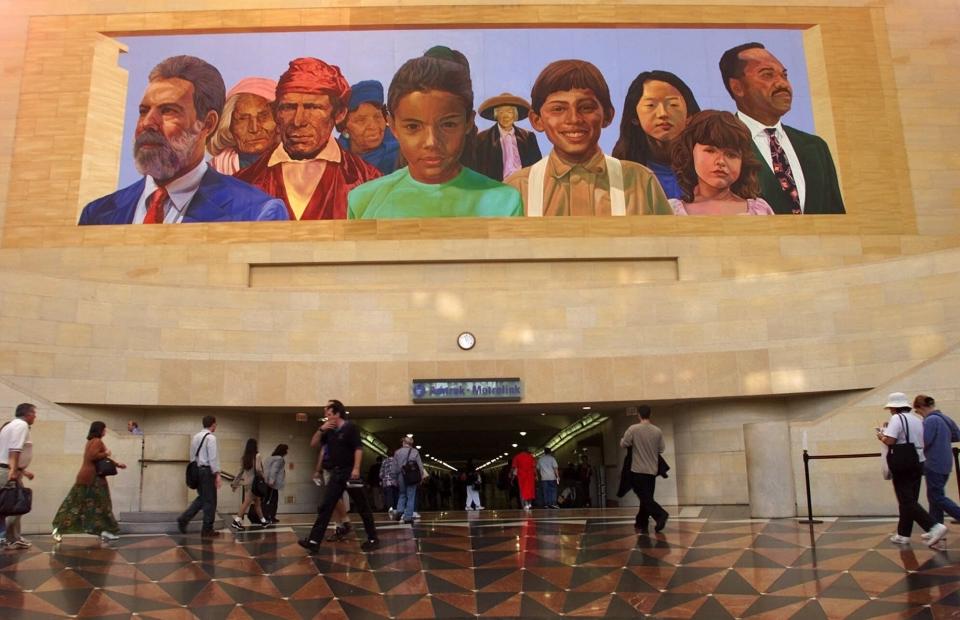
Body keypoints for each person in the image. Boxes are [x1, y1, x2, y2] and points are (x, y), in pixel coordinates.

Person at [79, 55, 289, 225]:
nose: (148, 123)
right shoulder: (98, 215)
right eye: (144, 111)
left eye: (168, 111)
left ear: (207, 124)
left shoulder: (256, 213)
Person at [347, 55, 522, 219]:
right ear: (392, 125)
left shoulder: (504, 202)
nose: (431, 142)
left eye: (448, 125)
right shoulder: (363, 201)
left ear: (468, 122)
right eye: (413, 127)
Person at [505, 59, 671, 217]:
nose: (574, 119)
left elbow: (669, 245)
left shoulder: (640, 181)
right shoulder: (518, 188)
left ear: (607, 115)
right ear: (537, 120)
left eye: (586, 107)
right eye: (558, 109)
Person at [236, 58, 382, 220]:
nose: (298, 121)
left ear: (339, 114)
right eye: (289, 107)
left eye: (313, 107)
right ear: (276, 112)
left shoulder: (369, 182)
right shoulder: (242, 184)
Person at [719, 42, 845, 214]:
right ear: (737, 87)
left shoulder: (815, 147)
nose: (782, 84)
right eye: (767, 75)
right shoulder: (719, 145)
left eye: (784, 75)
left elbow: (836, 216)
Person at [299, 400, 379, 553]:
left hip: (350, 472)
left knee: (363, 506)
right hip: (336, 473)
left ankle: (373, 538)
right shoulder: (328, 431)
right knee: (326, 507)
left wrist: (356, 468)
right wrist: (321, 429)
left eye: (329, 414)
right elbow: (313, 443)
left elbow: (358, 449)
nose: (327, 418)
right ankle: (314, 541)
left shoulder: (351, 428)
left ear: (337, 414)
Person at [612, 70, 701, 199]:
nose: (662, 113)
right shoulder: (621, 172)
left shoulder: (708, 167)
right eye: (651, 105)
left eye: (673, 104)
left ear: (689, 115)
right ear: (634, 117)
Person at [668, 110, 775, 215]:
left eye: (731, 155)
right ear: (690, 153)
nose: (721, 161)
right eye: (710, 151)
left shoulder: (759, 211)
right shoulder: (671, 211)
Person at [877, 392, 947, 547]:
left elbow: (891, 440)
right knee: (910, 498)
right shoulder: (917, 419)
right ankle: (903, 533)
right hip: (918, 460)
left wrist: (881, 436)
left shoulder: (896, 418)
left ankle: (934, 526)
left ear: (894, 408)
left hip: (903, 461)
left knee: (905, 499)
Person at [51, 421, 127, 543]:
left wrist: (116, 464)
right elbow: (93, 456)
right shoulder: (97, 441)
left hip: (89, 478)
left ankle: (105, 531)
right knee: (96, 505)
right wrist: (106, 453)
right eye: (104, 429)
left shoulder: (92, 441)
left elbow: (99, 458)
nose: (105, 431)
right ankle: (59, 529)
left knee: (93, 505)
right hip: (92, 479)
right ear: (99, 430)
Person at [209, 77, 279, 175]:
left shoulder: (300, 169)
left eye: (263, 116)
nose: (254, 128)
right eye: (243, 119)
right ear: (229, 126)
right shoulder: (214, 172)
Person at [620, 405, 669, 533]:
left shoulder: (633, 429)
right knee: (646, 497)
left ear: (639, 415)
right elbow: (661, 449)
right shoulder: (657, 431)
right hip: (652, 470)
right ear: (649, 414)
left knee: (644, 497)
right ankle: (641, 521)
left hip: (637, 470)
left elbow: (624, 443)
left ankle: (661, 514)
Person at [914, 394, 960, 528]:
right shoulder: (945, 418)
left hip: (934, 462)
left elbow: (924, 441)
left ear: (921, 407)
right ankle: (936, 527)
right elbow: (957, 435)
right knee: (934, 497)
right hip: (946, 461)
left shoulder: (930, 420)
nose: (919, 415)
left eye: (918, 411)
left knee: (936, 497)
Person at [474, 92, 543, 181]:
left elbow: (537, 167)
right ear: (496, 115)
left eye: (509, 112)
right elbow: (478, 171)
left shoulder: (528, 137)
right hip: (497, 188)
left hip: (524, 185)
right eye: (501, 112)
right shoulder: (482, 138)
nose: (505, 116)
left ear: (515, 115)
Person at [337, 80, 400, 175]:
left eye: (377, 117)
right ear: (344, 128)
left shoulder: (401, 156)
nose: (373, 126)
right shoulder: (334, 160)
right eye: (361, 120)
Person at [177, 415, 221, 538]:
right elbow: (213, 458)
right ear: (212, 424)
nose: (216, 426)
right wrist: (217, 474)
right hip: (207, 472)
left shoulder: (196, 437)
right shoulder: (211, 438)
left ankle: (184, 519)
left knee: (203, 498)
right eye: (215, 424)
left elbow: (192, 456)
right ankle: (207, 529)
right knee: (210, 501)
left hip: (197, 470)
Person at [0, 403, 37, 549]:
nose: (35, 416)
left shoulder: (10, 426)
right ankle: (10, 537)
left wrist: (22, 471)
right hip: (8, 471)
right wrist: (13, 471)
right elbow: (14, 449)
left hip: (8, 469)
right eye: (34, 413)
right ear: (28, 414)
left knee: (8, 505)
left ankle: (9, 536)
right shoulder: (21, 425)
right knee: (14, 504)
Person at [229, 438, 269, 531]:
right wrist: (264, 477)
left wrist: (235, 483)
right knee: (246, 503)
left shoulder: (244, 458)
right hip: (255, 483)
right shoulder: (257, 455)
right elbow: (258, 469)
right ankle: (236, 521)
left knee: (257, 503)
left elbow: (240, 472)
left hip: (247, 483)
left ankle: (263, 521)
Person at [393, 436, 427, 524]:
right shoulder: (415, 451)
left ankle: (399, 511)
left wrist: (395, 478)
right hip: (412, 476)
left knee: (402, 494)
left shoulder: (397, 452)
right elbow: (420, 466)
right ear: (411, 444)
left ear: (404, 443)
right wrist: (421, 477)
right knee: (411, 496)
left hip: (401, 476)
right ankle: (408, 517)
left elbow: (395, 467)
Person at [262, 444, 287, 524]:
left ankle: (266, 516)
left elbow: (266, 469)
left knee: (266, 499)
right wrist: (272, 480)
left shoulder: (269, 458)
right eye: (286, 450)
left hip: (266, 482)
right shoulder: (280, 459)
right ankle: (271, 517)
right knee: (273, 500)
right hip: (273, 483)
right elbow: (274, 469)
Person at [380, 451, 399, 516]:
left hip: (386, 481)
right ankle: (396, 509)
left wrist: (383, 478)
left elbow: (381, 473)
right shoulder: (397, 461)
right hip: (395, 481)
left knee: (389, 495)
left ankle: (390, 509)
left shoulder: (384, 461)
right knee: (396, 495)